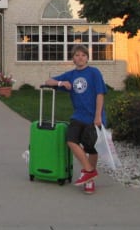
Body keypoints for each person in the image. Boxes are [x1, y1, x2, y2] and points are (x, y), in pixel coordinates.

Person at [45, 44, 106, 194]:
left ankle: (89, 181)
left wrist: (98, 116)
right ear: (73, 58)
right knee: (71, 140)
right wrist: (61, 83)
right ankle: (89, 171)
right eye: (77, 55)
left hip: (93, 116)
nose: (80, 58)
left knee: (91, 148)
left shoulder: (94, 72)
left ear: (87, 58)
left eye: (83, 55)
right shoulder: (70, 75)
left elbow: (100, 94)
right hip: (78, 116)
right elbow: (48, 81)